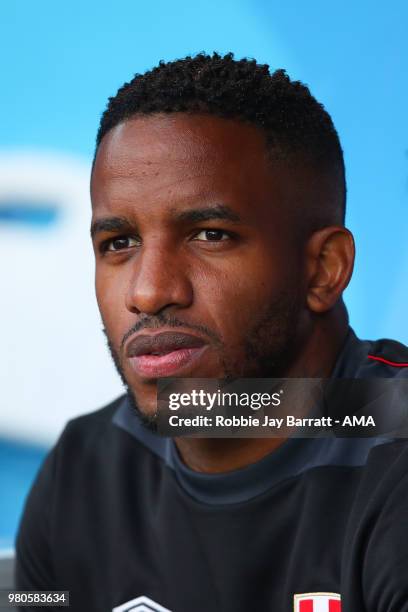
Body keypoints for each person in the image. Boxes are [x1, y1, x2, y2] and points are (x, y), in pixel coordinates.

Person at [16, 53, 408, 612]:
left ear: (323, 269)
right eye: (119, 243)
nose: (148, 293)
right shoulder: (85, 468)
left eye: (209, 235)